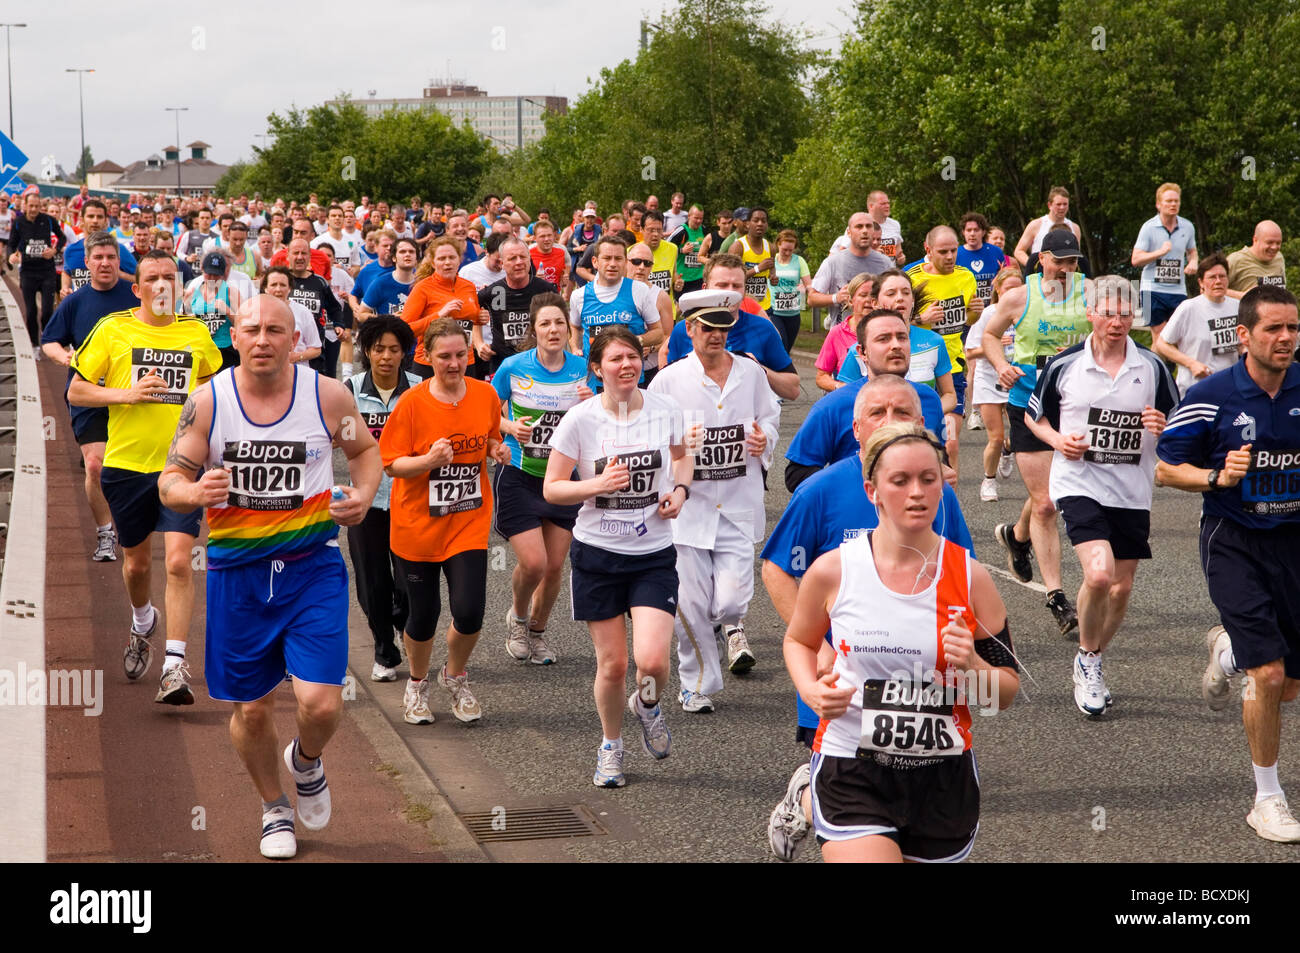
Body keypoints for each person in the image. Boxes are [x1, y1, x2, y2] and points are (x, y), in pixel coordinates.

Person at [157, 293, 381, 860]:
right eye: (252, 329)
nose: (262, 339)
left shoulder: (327, 395)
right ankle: (274, 807)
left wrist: (363, 496)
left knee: (323, 704)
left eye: (275, 330)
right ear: (235, 335)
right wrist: (192, 491)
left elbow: (366, 453)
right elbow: (169, 482)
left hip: (312, 570)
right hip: (239, 576)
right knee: (252, 710)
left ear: (293, 338)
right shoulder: (208, 402)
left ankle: (305, 763)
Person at [782, 421, 1017, 862]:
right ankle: (811, 795)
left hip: (943, 780)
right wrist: (811, 690)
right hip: (853, 766)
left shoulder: (972, 579)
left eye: (929, 479)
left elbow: (1003, 695)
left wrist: (973, 669)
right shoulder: (834, 571)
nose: (917, 492)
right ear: (872, 490)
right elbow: (798, 641)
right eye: (900, 480)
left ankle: (803, 802)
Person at [1156, 284, 1300, 842]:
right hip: (1233, 539)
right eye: (1273, 329)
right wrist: (1217, 476)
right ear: (1244, 335)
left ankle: (1228, 649)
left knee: (1288, 685)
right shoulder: (1211, 395)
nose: (1286, 338)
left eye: (1293, 328)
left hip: (1294, 542)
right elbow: (1167, 469)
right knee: (1269, 674)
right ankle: (1267, 799)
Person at [67, 250, 222, 705]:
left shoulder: (196, 334)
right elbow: (76, 389)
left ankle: (175, 666)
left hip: (181, 468)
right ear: (138, 289)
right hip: (126, 468)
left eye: (168, 278)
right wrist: (127, 393)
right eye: (151, 278)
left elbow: (214, 390)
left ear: (179, 286)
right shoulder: (114, 328)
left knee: (178, 562)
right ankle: (141, 623)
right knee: (136, 564)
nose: (160, 285)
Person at [543, 326, 692, 787]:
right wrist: (596, 486)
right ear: (597, 367)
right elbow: (553, 488)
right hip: (598, 555)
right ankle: (611, 746)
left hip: (652, 553)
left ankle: (646, 705)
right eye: (615, 359)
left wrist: (681, 490)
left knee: (652, 663)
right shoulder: (581, 420)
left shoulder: (665, 410)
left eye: (633, 356)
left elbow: (683, 456)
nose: (627, 365)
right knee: (613, 665)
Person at [1025, 276, 1177, 715]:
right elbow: (1035, 418)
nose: (1117, 322)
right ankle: (1089, 663)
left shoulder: (1151, 367)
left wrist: (1162, 426)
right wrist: (1057, 441)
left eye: (1125, 314)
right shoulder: (1064, 364)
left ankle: (1090, 655)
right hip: (1079, 482)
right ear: (1091, 314)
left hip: (1131, 489)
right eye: (1108, 313)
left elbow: (1179, 420)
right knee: (1098, 575)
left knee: (1121, 589)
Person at [649, 290, 779, 709]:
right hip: (690, 510)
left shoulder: (751, 373)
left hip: (738, 506)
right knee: (690, 603)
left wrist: (765, 438)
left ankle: (718, 632)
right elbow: (649, 435)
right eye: (708, 328)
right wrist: (676, 447)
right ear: (690, 329)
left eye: (723, 328)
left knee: (729, 602)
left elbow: (770, 417)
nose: (717, 336)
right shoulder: (669, 380)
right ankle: (696, 684)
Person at [380, 318, 510, 726]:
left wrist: (496, 449)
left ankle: (455, 676)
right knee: (423, 615)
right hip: (417, 526)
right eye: (445, 357)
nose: (454, 364)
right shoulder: (412, 404)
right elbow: (392, 465)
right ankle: (417, 683)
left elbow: (489, 435)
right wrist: (429, 462)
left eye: (461, 355)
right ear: (427, 357)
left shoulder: (486, 394)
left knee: (470, 611)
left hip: (467, 522)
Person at [981, 229, 1093, 634]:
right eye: (1060, 261)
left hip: (1079, 405)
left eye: (1073, 262)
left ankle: (1016, 537)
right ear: (1042, 258)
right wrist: (1000, 365)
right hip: (1030, 404)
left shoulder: (1091, 293)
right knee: (1046, 503)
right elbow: (989, 335)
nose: (1067, 269)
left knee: (1053, 492)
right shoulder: (1018, 297)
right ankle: (1057, 598)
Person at [492, 292, 592, 665]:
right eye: (545, 324)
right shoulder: (514, 366)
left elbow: (601, 420)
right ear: (534, 331)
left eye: (559, 323)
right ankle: (518, 618)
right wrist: (508, 425)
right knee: (533, 563)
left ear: (569, 328)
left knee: (553, 567)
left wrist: (589, 402)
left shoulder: (583, 369)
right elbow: (486, 409)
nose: (553, 329)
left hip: (564, 479)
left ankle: (537, 632)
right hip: (520, 474)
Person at [40, 231, 141, 561]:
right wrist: (66, 358)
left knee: (132, 469)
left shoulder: (136, 297)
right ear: (87, 263)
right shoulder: (75, 302)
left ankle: (134, 527)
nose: (105, 263)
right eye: (98, 258)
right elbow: (50, 340)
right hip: (89, 395)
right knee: (95, 465)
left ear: (118, 261)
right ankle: (105, 533)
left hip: (132, 395)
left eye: (111, 257)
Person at [785, 308, 947, 492]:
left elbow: (941, 458)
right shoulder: (834, 405)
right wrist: (855, 488)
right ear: (862, 352)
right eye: (883, 339)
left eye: (902, 337)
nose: (896, 345)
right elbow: (795, 476)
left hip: (916, 514)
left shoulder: (929, 398)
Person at [345, 315, 420, 681]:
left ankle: (402, 621)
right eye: (379, 349)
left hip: (411, 502)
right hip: (366, 502)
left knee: (410, 581)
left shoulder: (420, 389)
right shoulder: (350, 390)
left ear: (405, 353)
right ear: (367, 352)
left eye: (394, 349)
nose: (386, 357)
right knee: (371, 581)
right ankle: (384, 651)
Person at [662, 254, 801, 400]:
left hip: (746, 420)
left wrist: (758, 369)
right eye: (722, 285)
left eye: (736, 286)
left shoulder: (763, 328)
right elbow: (669, 385)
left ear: (744, 290)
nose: (730, 292)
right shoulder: (684, 329)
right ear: (705, 288)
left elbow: (793, 390)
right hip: (697, 419)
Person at [905, 226, 981, 474]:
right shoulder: (911, 278)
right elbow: (893, 319)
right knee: (918, 441)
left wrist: (974, 314)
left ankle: (950, 500)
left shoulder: (966, 276)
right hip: (918, 367)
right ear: (928, 250)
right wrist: (921, 318)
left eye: (953, 250)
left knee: (950, 443)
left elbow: (966, 321)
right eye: (943, 252)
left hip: (953, 367)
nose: (950, 257)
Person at [568, 235, 668, 390]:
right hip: (595, 380)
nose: (612, 264)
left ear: (625, 262)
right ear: (595, 262)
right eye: (607, 258)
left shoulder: (639, 290)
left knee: (629, 414)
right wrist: (575, 347)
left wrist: (635, 341)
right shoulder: (579, 296)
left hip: (630, 377)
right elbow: (574, 327)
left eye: (618, 259)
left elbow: (658, 333)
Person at [964, 267, 1023, 502]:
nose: (1014, 292)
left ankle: (1008, 450)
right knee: (995, 437)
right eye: (1009, 288)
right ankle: (988, 481)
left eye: (1018, 288)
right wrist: (996, 344)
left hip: (1018, 378)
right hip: (990, 379)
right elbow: (970, 353)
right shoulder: (989, 314)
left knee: (1022, 434)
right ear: (997, 290)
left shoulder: (1027, 313)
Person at [1154, 253, 1240, 397]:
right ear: (1201, 282)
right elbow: (1161, 344)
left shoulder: (1237, 307)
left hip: (1229, 388)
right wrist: (1191, 363)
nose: (1218, 281)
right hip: (1195, 388)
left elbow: (1240, 344)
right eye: (1212, 277)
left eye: (1222, 276)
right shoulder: (1189, 307)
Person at [401, 236, 480, 378]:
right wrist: (439, 315)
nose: (447, 263)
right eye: (442, 259)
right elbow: (404, 330)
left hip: (465, 361)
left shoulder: (469, 286)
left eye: (452, 257)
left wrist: (480, 317)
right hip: (430, 364)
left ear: (459, 260)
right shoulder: (422, 288)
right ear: (433, 262)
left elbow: (472, 319)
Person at [479, 237, 557, 374]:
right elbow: (472, 315)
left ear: (529, 259)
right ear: (502, 263)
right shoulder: (493, 291)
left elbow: (563, 323)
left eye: (522, 257)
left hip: (539, 364)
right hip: (502, 365)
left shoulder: (546, 290)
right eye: (512, 258)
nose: (519, 262)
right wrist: (478, 343)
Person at [1130, 182, 1198, 338]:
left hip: (1177, 289)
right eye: (1169, 201)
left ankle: (1167, 363)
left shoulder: (1187, 227)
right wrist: (1159, 252)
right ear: (1158, 204)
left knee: (1178, 336)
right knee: (1160, 335)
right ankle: (1159, 363)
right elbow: (1136, 259)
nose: (1173, 204)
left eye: (1176, 201)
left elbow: (1192, 251)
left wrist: (1193, 262)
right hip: (1151, 289)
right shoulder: (1148, 227)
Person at [809, 213, 893, 328]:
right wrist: (836, 297)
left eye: (868, 226)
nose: (864, 231)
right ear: (849, 232)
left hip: (877, 335)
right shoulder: (833, 262)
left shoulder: (886, 263)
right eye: (859, 226)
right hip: (843, 335)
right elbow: (811, 298)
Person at [7, 191, 62, 349]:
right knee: (31, 312)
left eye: (37, 206)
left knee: (46, 311)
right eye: (31, 206)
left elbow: (62, 237)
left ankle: (47, 337)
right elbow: (11, 243)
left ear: (40, 207)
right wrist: (11, 256)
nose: (33, 209)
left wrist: (54, 250)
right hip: (28, 272)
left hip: (46, 271)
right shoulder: (18, 222)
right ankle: (34, 345)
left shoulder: (48, 220)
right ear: (25, 205)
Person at [816, 273, 875, 392]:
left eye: (874, 295)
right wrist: (841, 387)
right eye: (863, 295)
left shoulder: (888, 331)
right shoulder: (837, 333)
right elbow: (821, 377)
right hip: (849, 400)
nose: (869, 300)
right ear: (851, 300)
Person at [185, 252, 242, 369]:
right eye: (208, 274)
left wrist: (227, 311)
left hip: (225, 350)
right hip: (200, 349)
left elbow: (242, 324)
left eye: (216, 275)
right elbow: (183, 323)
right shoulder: (192, 292)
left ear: (223, 275)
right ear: (202, 270)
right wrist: (189, 319)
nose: (211, 279)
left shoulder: (231, 292)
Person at [262, 266, 322, 366]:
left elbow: (316, 349)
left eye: (282, 285)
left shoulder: (303, 311)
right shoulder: (257, 311)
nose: (278, 289)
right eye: (273, 285)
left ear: (289, 288)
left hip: (297, 372)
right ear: (266, 289)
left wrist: (297, 356)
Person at [1013, 186, 1083, 267]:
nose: (1062, 207)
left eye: (1065, 204)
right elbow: (1018, 251)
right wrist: (1034, 266)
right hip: (1040, 274)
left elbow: (1076, 254)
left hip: (1067, 273)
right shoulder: (1036, 224)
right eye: (1058, 204)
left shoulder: (1075, 228)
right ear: (1049, 205)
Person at [769, 229, 812, 352]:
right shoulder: (771, 261)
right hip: (774, 312)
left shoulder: (799, 261)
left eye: (791, 250)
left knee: (786, 350)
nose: (787, 253)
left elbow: (809, 284)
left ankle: (777, 370)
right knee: (781, 344)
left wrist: (807, 289)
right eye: (784, 250)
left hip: (793, 314)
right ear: (778, 244)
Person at [360, 235, 418, 317]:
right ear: (394, 258)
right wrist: (388, 319)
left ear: (416, 258)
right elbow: (361, 314)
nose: (407, 254)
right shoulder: (381, 283)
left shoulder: (423, 283)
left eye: (411, 251)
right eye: (402, 252)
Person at [956, 212, 1007, 303]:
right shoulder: (956, 254)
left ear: (983, 232)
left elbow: (1005, 277)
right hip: (968, 308)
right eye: (969, 230)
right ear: (963, 232)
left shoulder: (996, 252)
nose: (972, 234)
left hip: (993, 306)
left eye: (976, 230)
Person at [1227, 221, 1286, 298]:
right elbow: (1209, 289)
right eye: (1269, 242)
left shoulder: (1279, 257)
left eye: (1278, 243)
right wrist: (1243, 296)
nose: (1274, 247)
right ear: (1255, 240)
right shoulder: (1235, 260)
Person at [670, 205, 707, 296]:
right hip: (682, 278)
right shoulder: (681, 231)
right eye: (696, 218)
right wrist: (682, 250)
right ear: (689, 216)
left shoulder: (704, 230)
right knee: (680, 307)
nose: (698, 221)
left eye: (701, 218)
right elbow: (667, 249)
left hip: (699, 278)